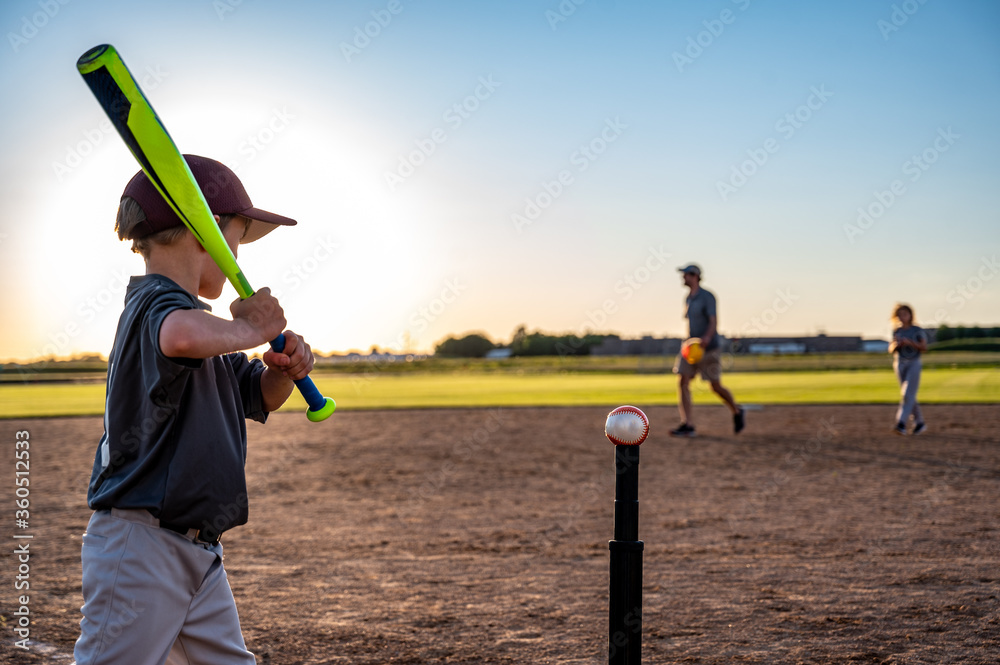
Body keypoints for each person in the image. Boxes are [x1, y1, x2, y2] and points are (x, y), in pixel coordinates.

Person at [74, 155, 316, 664]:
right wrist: (252, 330)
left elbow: (260, 396)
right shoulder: (154, 305)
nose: (237, 256)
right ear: (201, 230)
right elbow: (178, 334)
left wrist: (283, 367)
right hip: (141, 548)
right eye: (236, 236)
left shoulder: (207, 333)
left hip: (198, 550)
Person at [669, 264, 744, 437]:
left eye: (685, 275)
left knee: (715, 386)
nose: (683, 278)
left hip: (708, 348)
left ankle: (737, 411)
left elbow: (713, 321)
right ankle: (687, 424)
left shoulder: (707, 296)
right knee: (683, 381)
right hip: (691, 348)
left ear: (694, 276)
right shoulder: (688, 298)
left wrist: (707, 338)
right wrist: (689, 343)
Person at [889, 303, 927, 435]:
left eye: (904, 314)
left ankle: (901, 423)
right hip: (900, 363)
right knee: (909, 394)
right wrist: (896, 345)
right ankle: (920, 423)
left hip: (914, 362)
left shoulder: (916, 330)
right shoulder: (897, 331)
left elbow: (924, 347)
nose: (901, 317)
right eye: (899, 315)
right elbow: (891, 348)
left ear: (910, 315)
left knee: (907, 394)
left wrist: (911, 343)